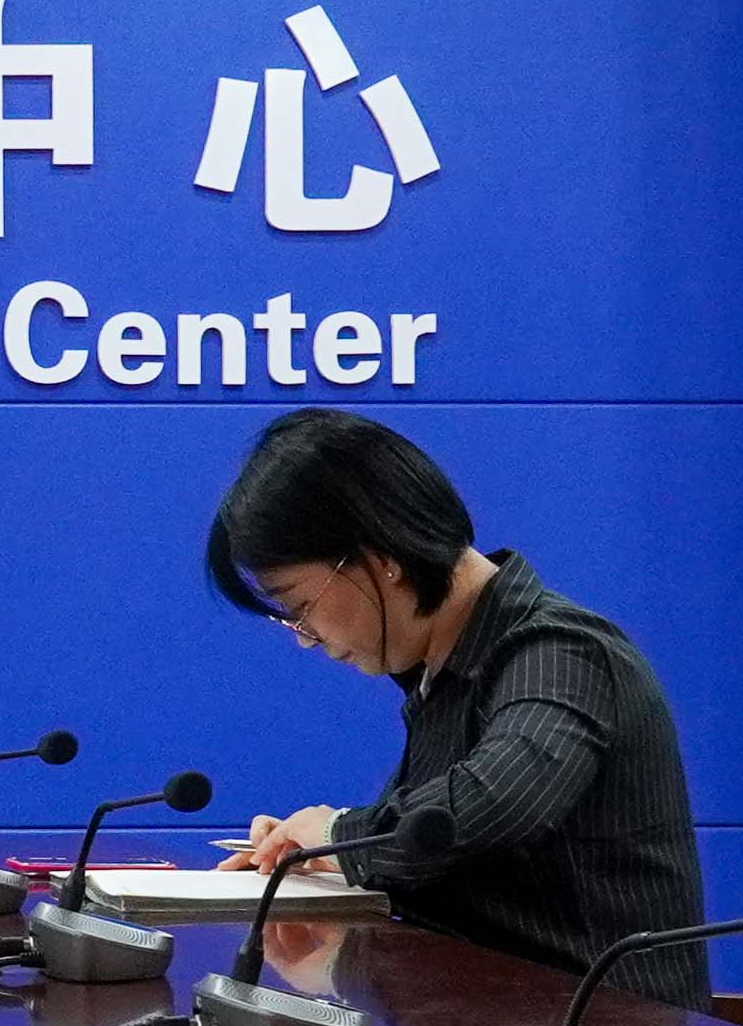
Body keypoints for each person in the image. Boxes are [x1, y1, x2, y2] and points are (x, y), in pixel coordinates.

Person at [201, 408, 709, 995]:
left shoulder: (564, 652)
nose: (303, 636)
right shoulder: (441, 677)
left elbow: (495, 805)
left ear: (381, 556)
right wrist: (312, 859)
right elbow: (448, 871)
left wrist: (341, 835)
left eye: (299, 606)